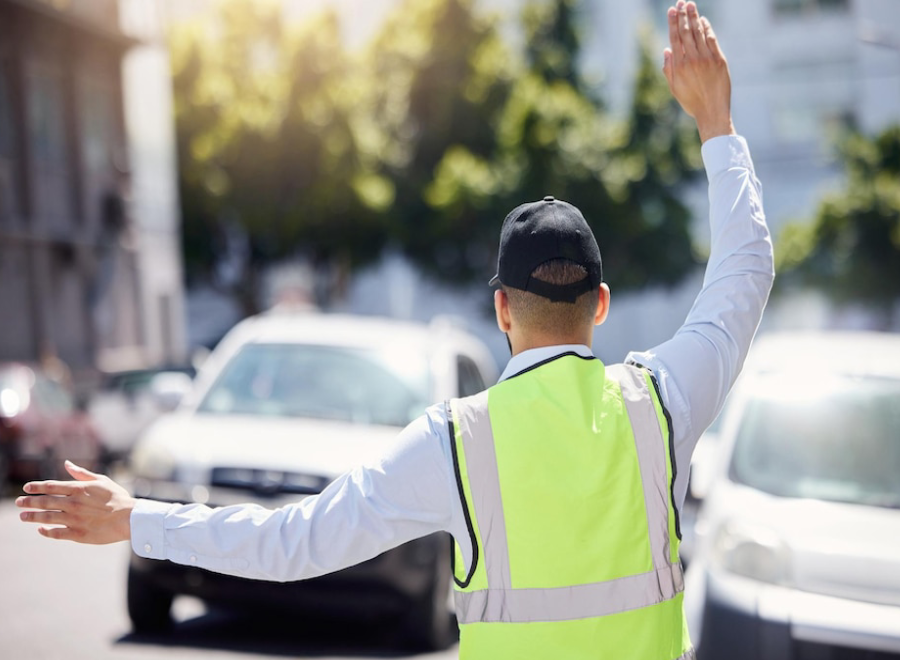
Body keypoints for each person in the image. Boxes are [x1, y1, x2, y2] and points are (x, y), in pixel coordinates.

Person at [16, 3, 773, 658]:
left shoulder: (457, 443)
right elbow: (745, 272)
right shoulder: (661, 404)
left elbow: (293, 542)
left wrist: (137, 519)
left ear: (502, 310)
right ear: (599, 303)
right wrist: (716, 123)